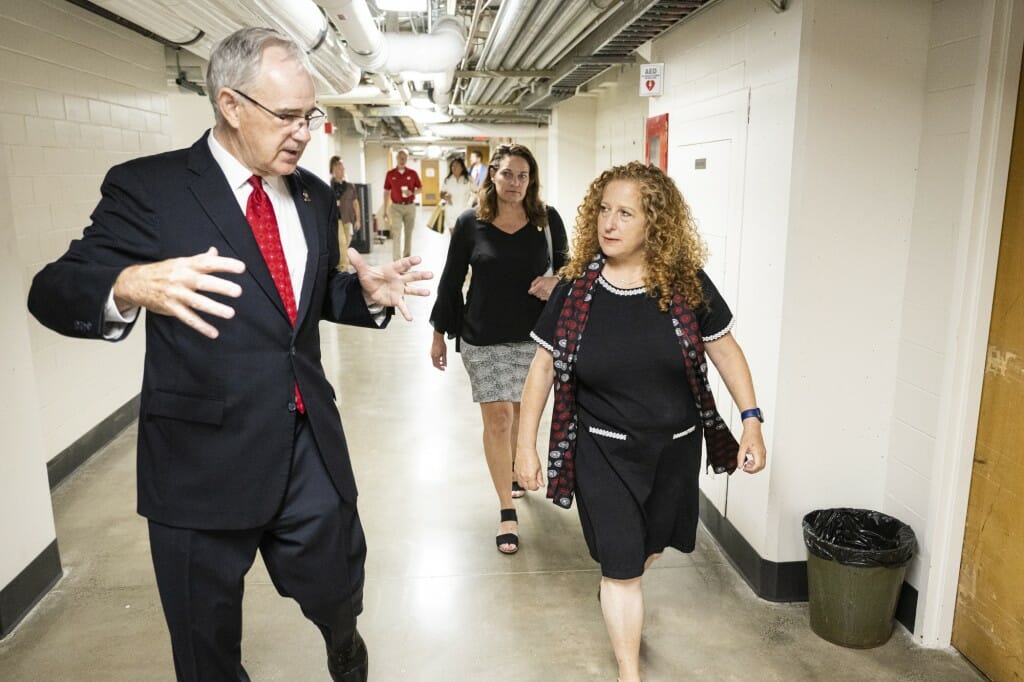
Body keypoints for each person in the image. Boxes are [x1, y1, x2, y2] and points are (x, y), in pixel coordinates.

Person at [26, 27, 432, 682]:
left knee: (336, 587)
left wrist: (364, 294)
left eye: (310, 116)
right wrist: (128, 285)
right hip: (198, 458)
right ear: (230, 105)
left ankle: (342, 642)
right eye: (287, 117)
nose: (303, 133)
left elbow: (300, 297)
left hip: (304, 439)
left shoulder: (311, 193)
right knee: (205, 648)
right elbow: (52, 290)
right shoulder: (152, 189)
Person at [515, 162, 766, 682]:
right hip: (601, 450)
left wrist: (752, 421)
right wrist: (526, 446)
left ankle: (617, 576)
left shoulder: (685, 286)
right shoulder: (575, 290)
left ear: (655, 222)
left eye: (625, 213)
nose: (609, 223)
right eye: (604, 210)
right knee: (623, 566)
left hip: (675, 448)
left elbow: (725, 351)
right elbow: (541, 368)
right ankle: (630, 671)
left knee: (651, 546)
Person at [430, 143, 568, 554]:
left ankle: (513, 467)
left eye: (523, 176)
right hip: (483, 336)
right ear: (492, 175)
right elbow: (452, 280)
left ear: (532, 179)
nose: (515, 183)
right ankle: (507, 510)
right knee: (500, 419)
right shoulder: (470, 223)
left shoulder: (546, 220)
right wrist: (439, 332)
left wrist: (554, 281)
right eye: (508, 174)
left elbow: (569, 265)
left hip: (534, 338)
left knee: (524, 417)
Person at [382, 148, 422, 260]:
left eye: (404, 158)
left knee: (408, 233)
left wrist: (412, 192)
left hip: (410, 206)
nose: (402, 160)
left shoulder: (412, 174)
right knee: (397, 233)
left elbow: (420, 188)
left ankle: (406, 258)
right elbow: (386, 192)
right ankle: (396, 260)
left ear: (407, 159)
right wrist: (385, 210)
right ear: (397, 158)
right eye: (400, 157)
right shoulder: (390, 174)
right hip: (395, 207)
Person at [330, 156, 361, 271]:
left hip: (347, 218)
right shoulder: (330, 186)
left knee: (346, 242)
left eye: (343, 169)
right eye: (339, 169)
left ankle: (342, 264)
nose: (342, 171)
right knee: (341, 242)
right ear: (333, 170)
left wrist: (358, 220)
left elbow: (356, 204)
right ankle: (343, 268)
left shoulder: (349, 186)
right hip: (336, 219)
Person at [439, 156, 476, 233]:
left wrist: (470, 203)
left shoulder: (469, 179)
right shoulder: (448, 179)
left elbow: (476, 192)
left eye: (456, 165)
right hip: (450, 210)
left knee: (464, 235)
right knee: (453, 236)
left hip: (465, 210)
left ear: (462, 167)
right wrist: (445, 197)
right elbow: (441, 194)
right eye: (452, 165)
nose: (454, 167)